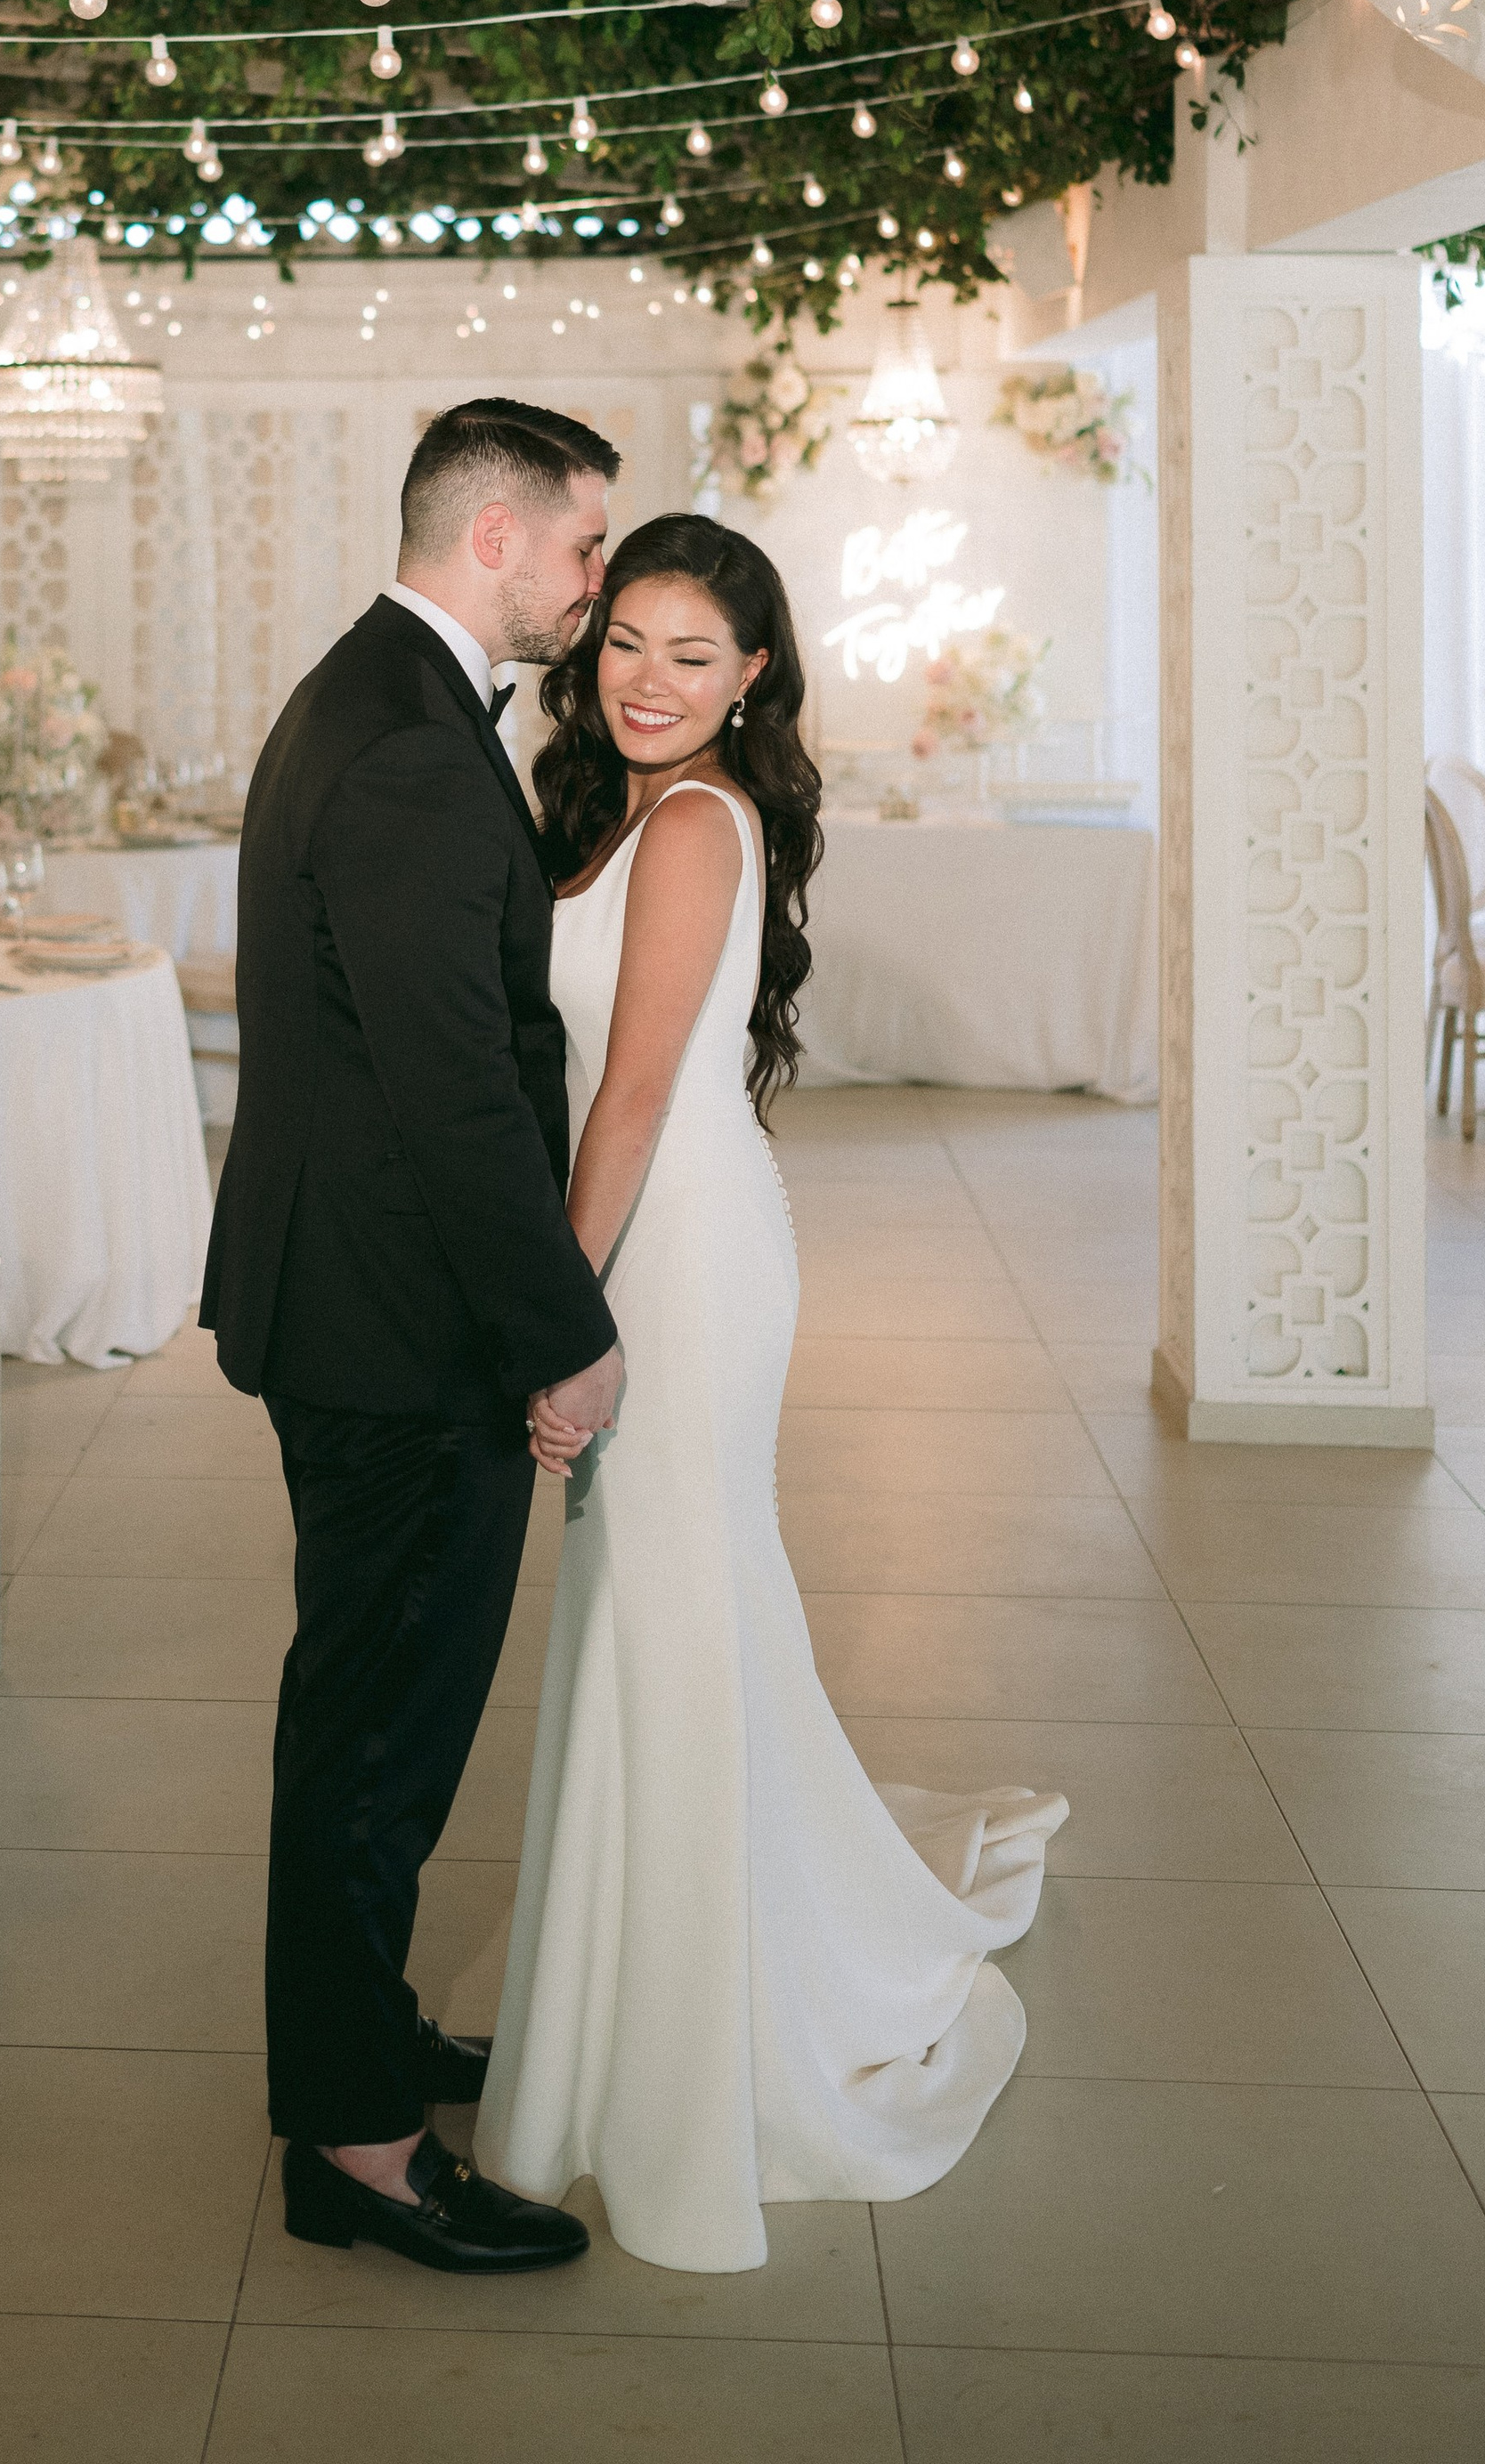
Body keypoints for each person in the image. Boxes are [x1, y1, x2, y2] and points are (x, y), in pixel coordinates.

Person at [474, 510, 1068, 2275]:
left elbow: (636, 1096)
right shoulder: (611, 809)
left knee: (676, 1609)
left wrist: (550, 1321)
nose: (647, 680)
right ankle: (640, 1978)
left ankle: (708, 2021)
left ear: (749, 678)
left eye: (691, 653)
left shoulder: (696, 823)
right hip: (650, 1227)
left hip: (678, 1252)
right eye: (626, 642)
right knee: (658, 1618)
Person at [201, 400, 627, 2274]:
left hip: (362, 1300)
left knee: (367, 1717)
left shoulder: (383, 700)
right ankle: (359, 2145)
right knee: (377, 1735)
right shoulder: (398, 743)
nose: (595, 585)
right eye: (584, 548)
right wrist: (566, 1329)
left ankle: (352, 2046)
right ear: (495, 541)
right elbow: (452, 1085)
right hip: (394, 1328)